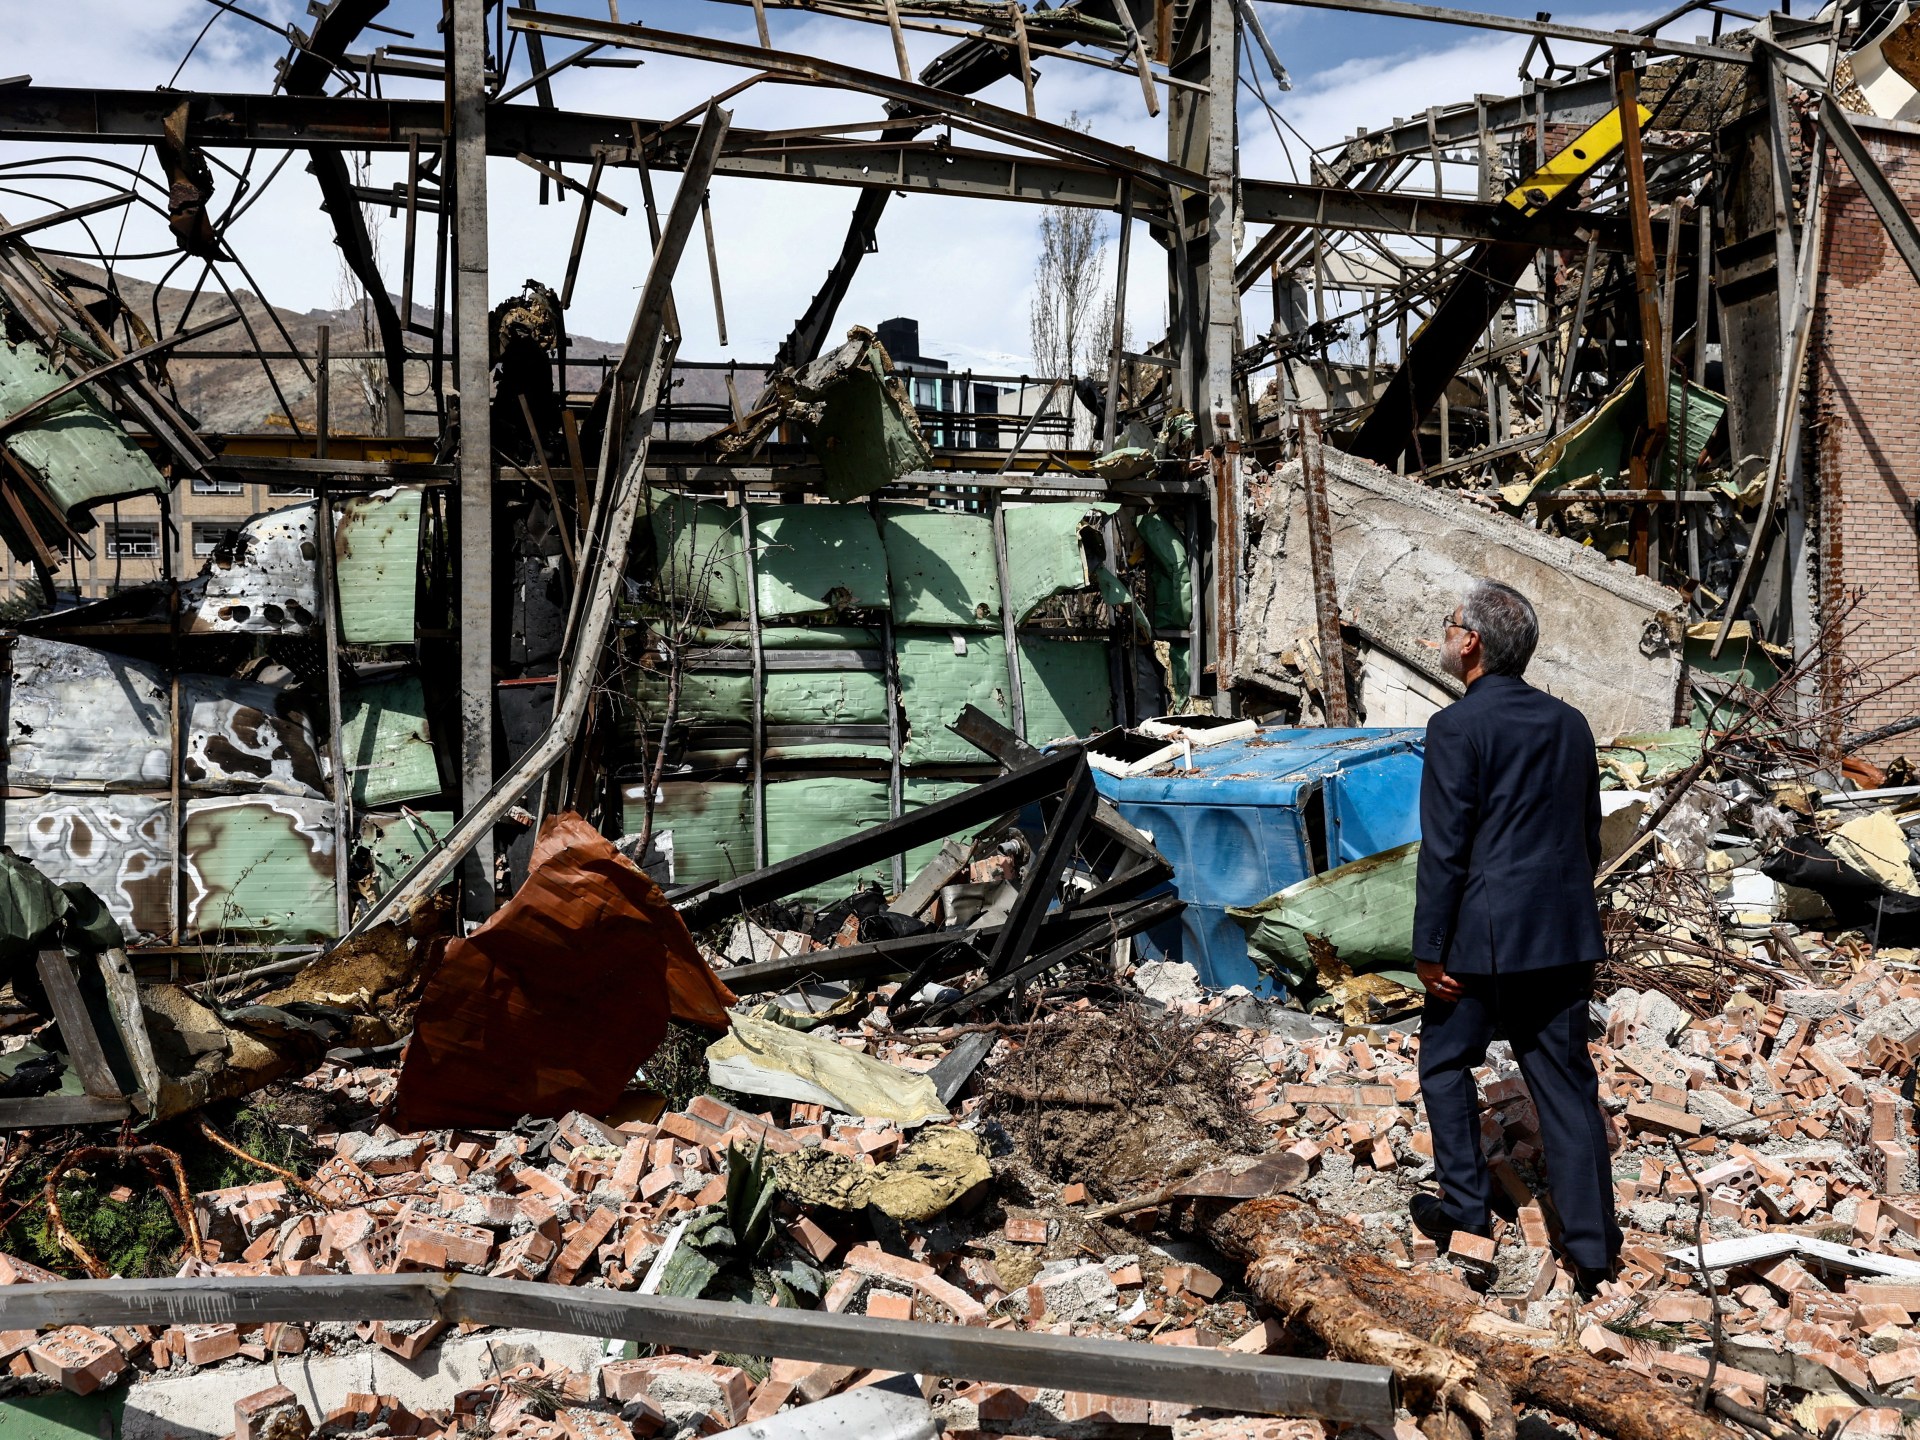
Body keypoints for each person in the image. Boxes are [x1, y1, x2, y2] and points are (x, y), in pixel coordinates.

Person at [1410, 578, 1621, 1297]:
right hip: (1561, 938)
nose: (1442, 633)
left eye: (1448, 623)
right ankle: (1595, 1251)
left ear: (1471, 642)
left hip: (1481, 946)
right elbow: (1587, 838)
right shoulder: (1570, 723)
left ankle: (1466, 1213)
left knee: (1443, 1063)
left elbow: (1445, 850)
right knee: (1565, 1087)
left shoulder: (1455, 728)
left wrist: (1428, 949)